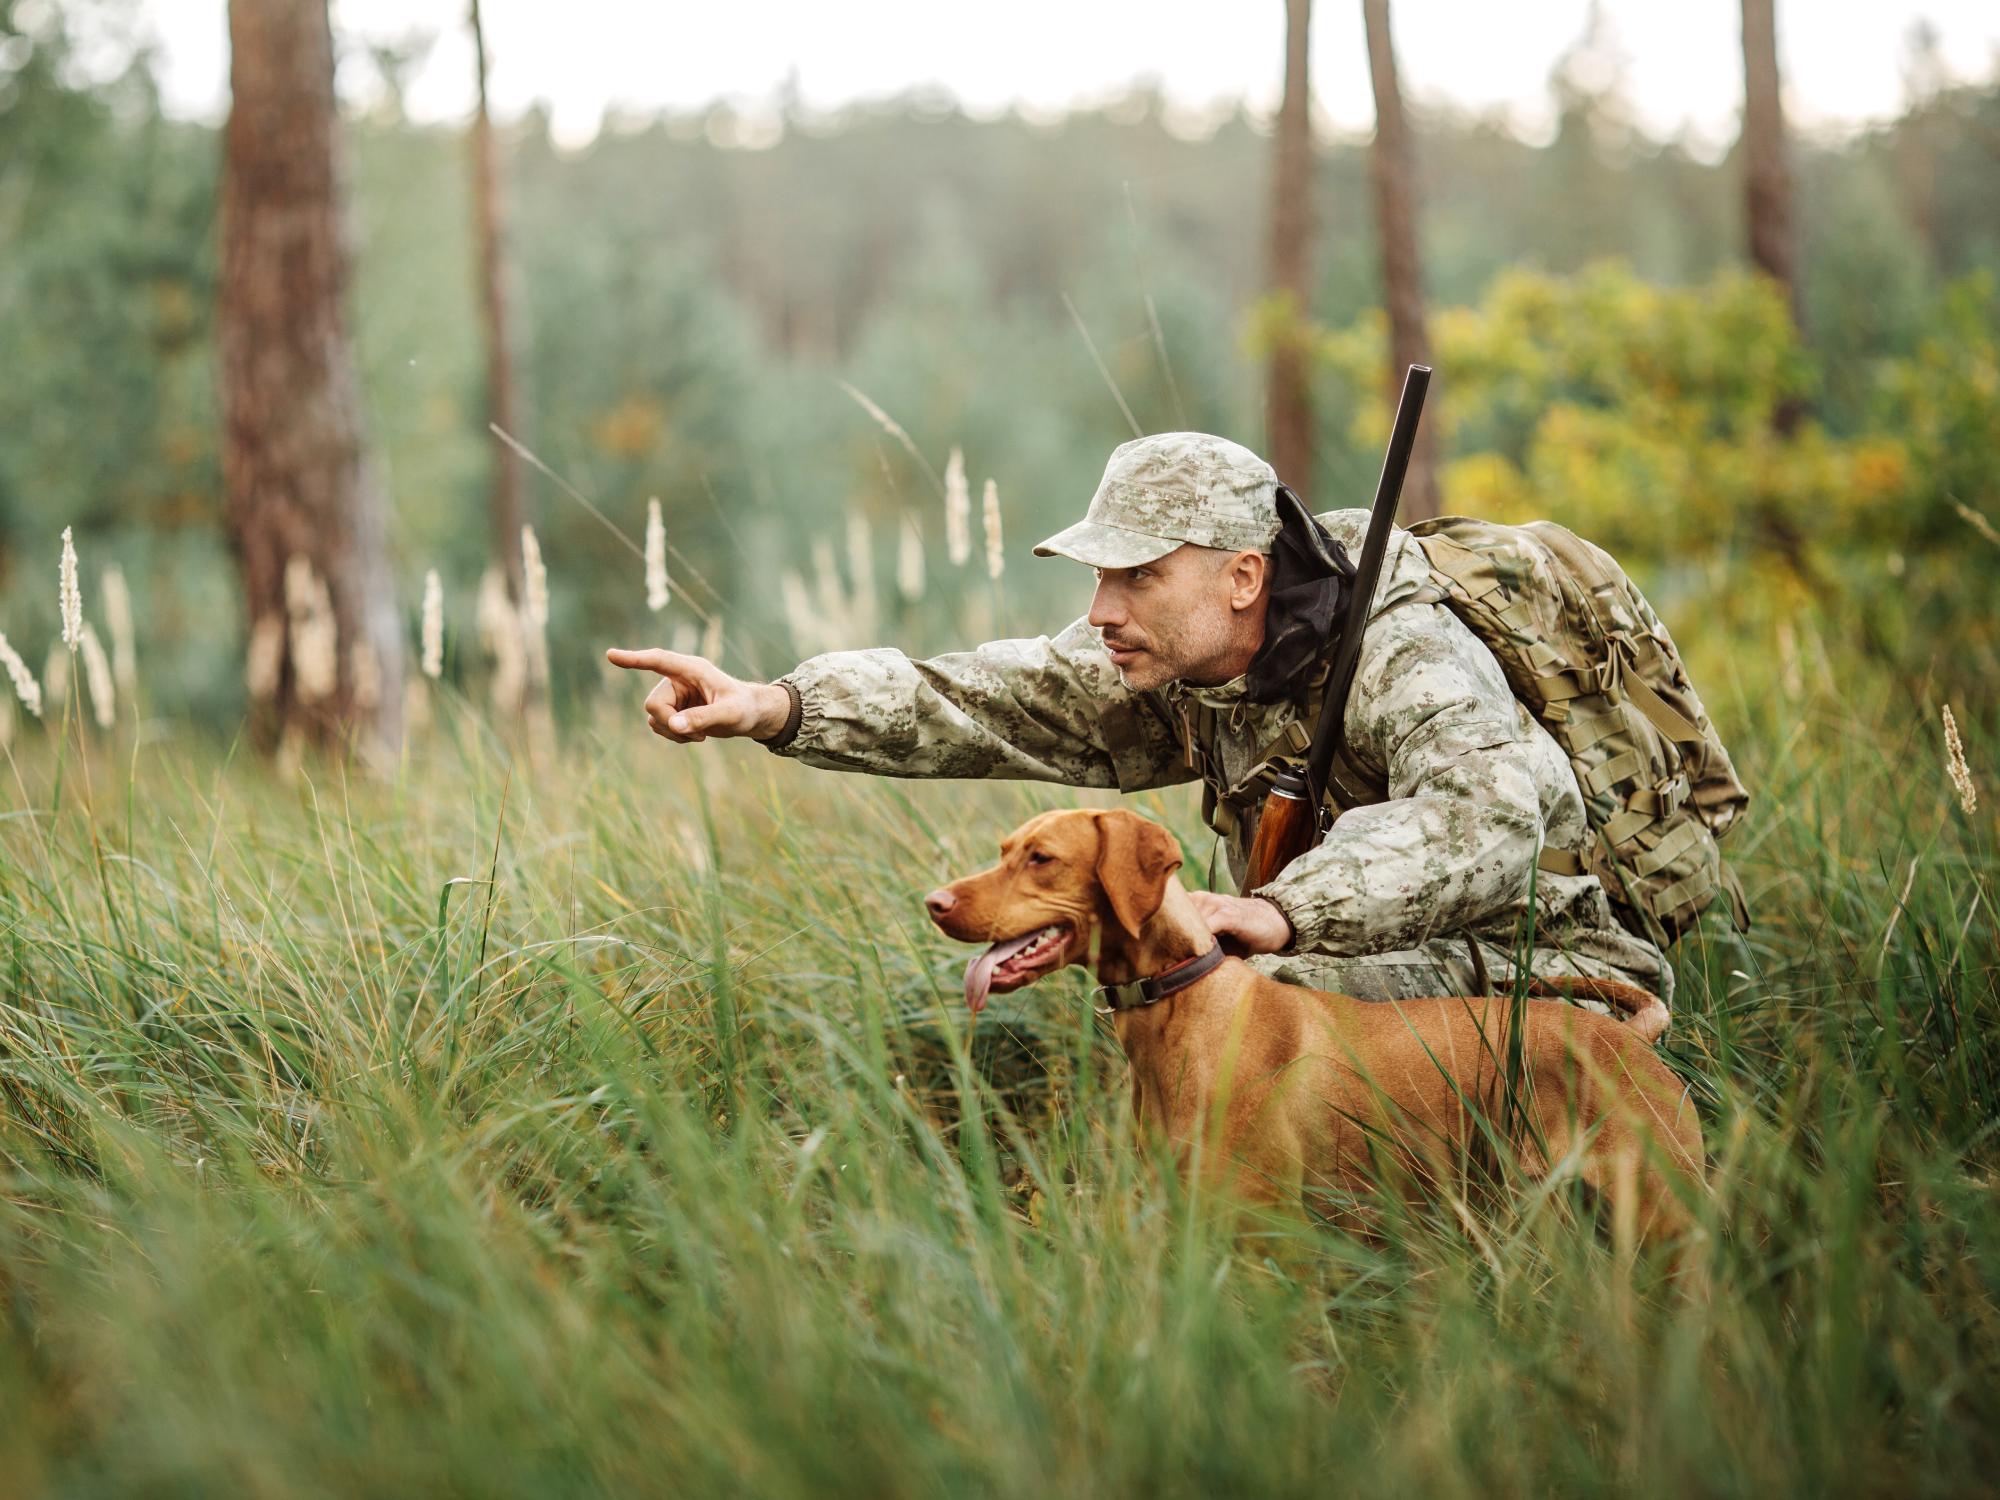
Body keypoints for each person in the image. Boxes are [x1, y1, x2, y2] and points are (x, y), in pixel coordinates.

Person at [607, 432, 1671, 1008]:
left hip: (1542, 961)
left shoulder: (1400, 648)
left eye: (1139, 577)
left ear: (1243, 576)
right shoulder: (1167, 652)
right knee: (1200, 992)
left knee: (1252, 991)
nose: (1101, 611)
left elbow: (1486, 817)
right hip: (1336, 956)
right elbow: (978, 697)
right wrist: (773, 703)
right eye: (1099, 576)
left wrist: (1281, 913)